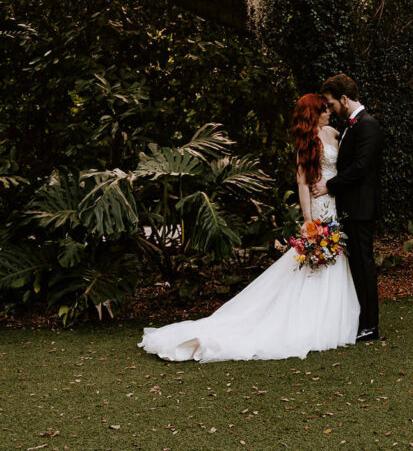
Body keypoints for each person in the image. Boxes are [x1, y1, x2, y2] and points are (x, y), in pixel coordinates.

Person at [138, 94, 359, 361]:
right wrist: (308, 219)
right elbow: (303, 184)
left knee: (334, 258)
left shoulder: (334, 133)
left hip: (336, 204)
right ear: (314, 114)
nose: (328, 113)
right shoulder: (306, 145)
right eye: (323, 110)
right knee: (315, 262)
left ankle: (332, 314)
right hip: (320, 206)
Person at [313, 74, 382, 342]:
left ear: (344, 99)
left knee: (364, 264)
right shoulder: (350, 127)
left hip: (362, 208)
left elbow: (360, 168)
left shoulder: (368, 125)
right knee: (355, 265)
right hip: (348, 207)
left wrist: (330, 185)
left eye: (331, 103)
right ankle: (358, 319)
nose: (329, 109)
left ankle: (370, 325)